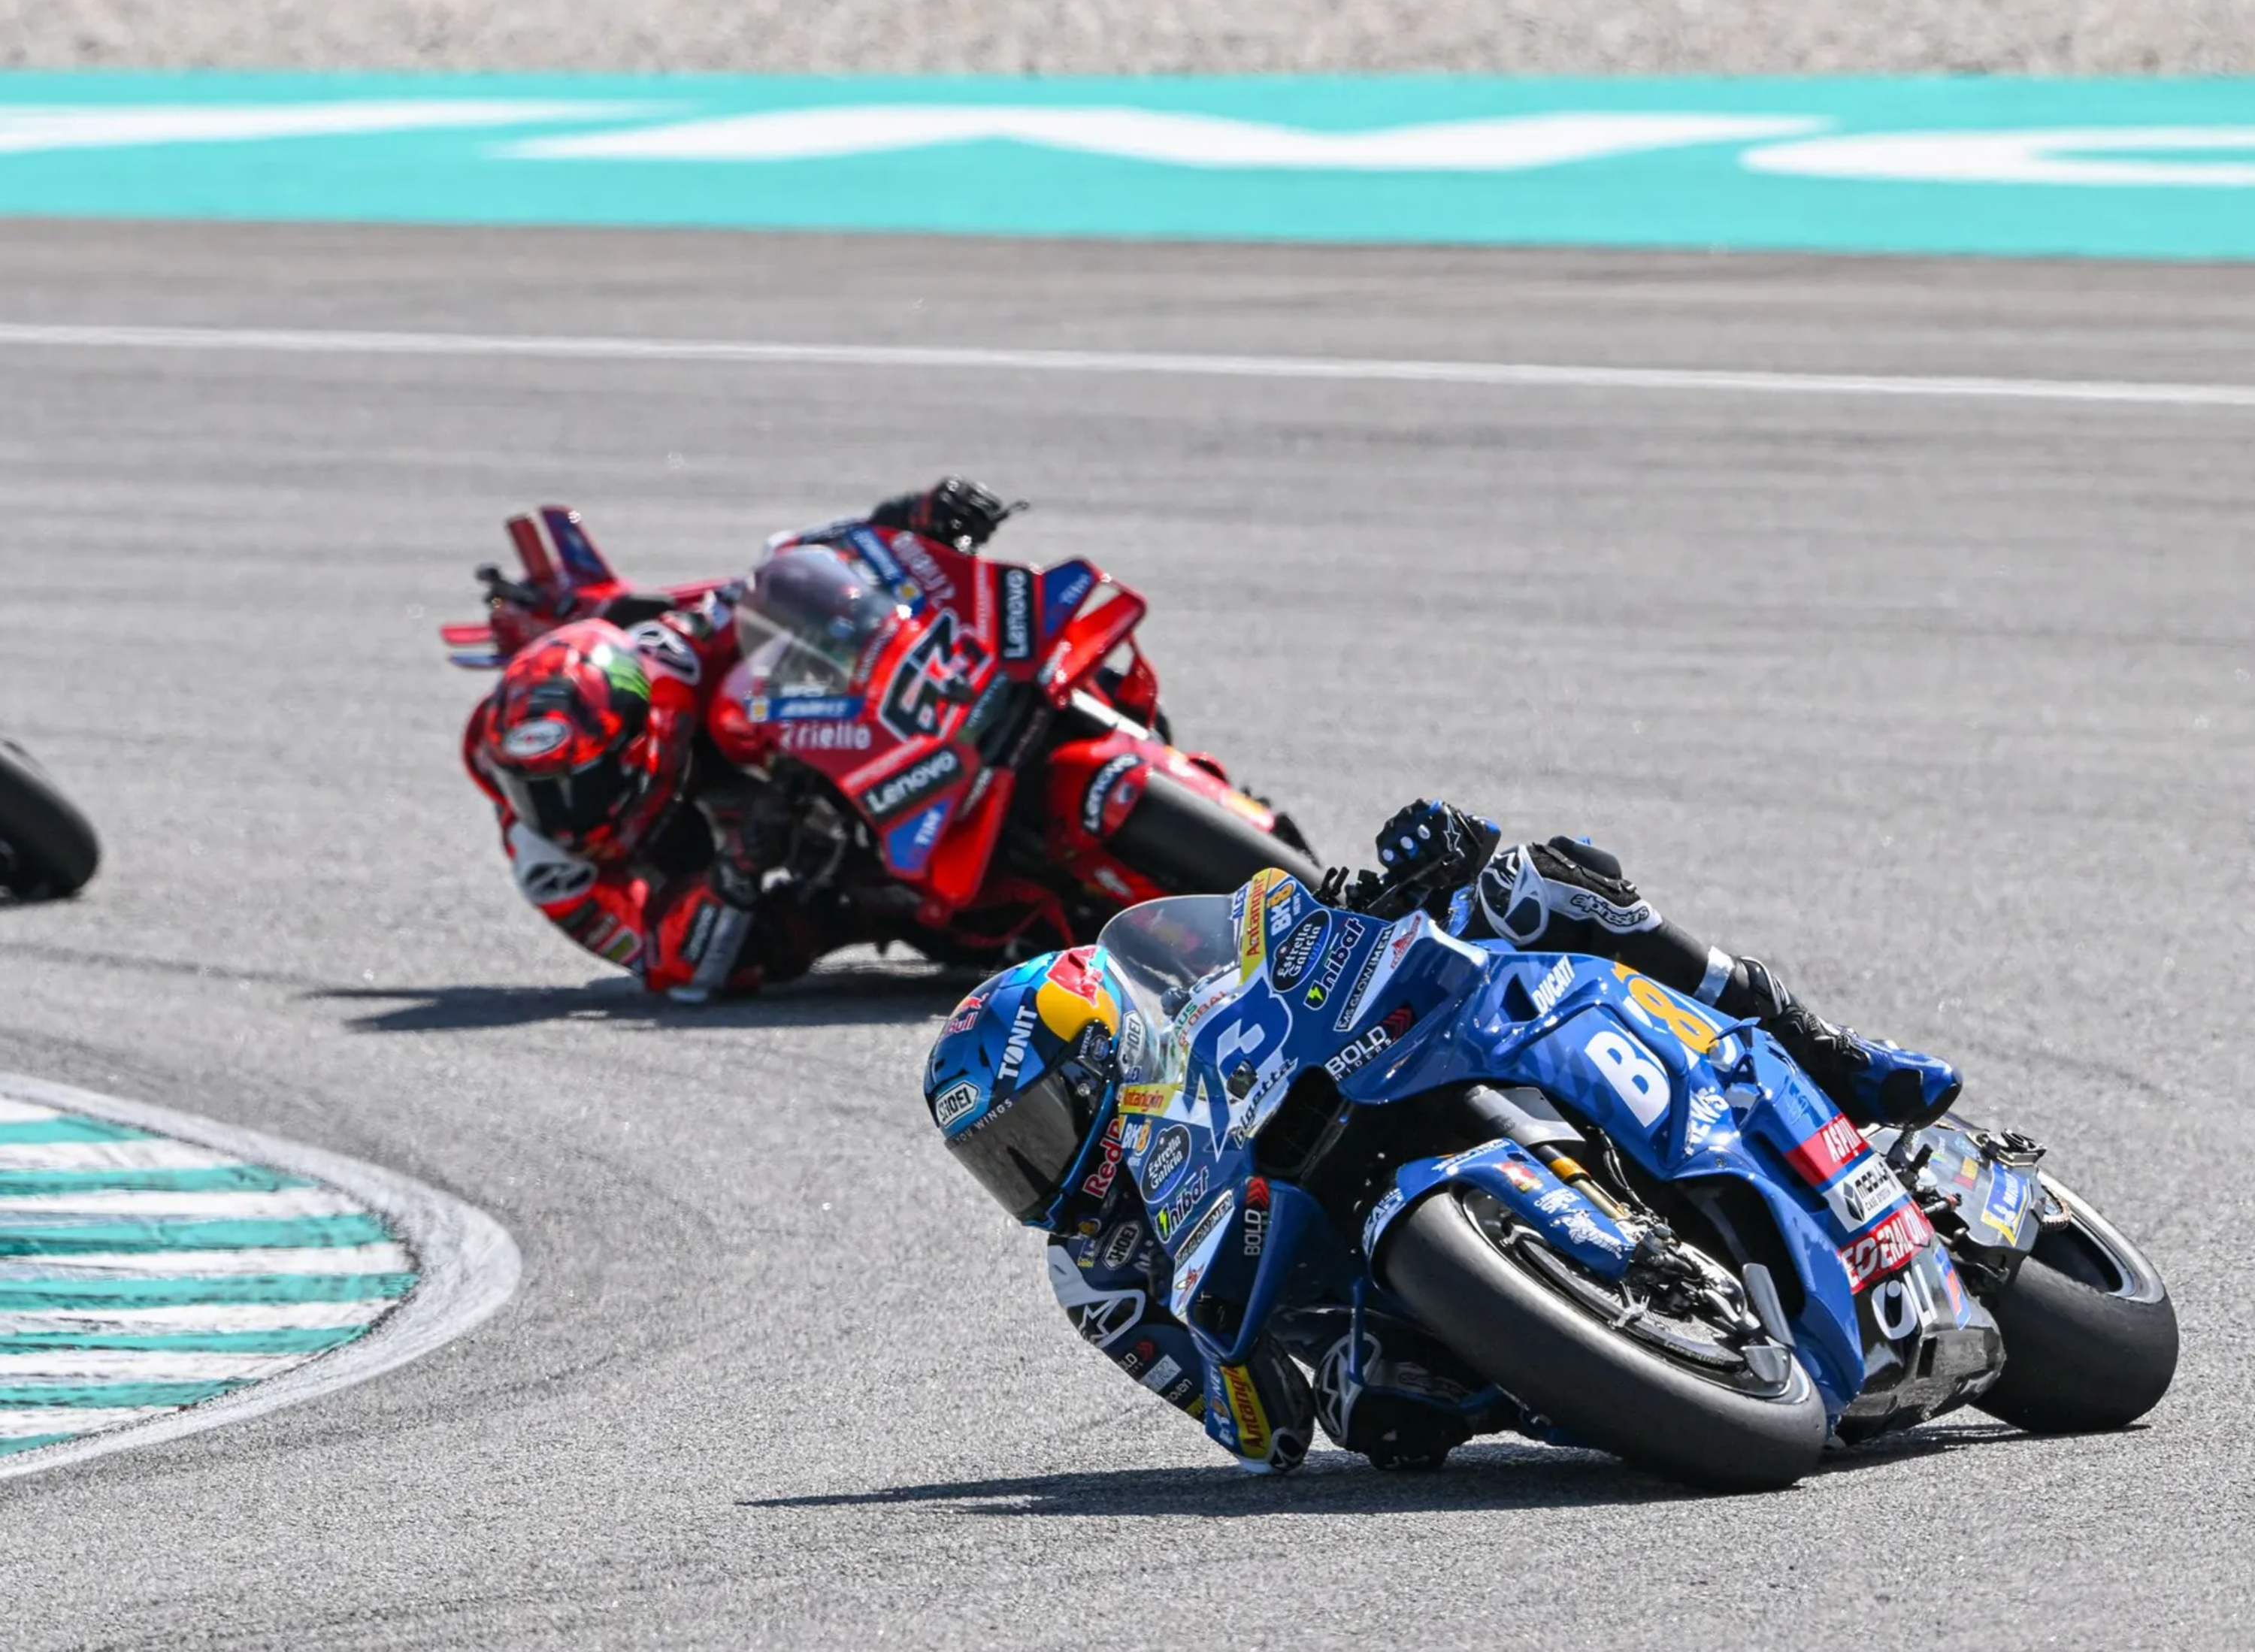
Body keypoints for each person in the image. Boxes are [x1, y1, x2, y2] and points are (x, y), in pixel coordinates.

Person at [924, 797, 1960, 1475]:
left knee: (1542, 890)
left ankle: (1825, 1051)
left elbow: (1308, 943)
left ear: (1110, 1054)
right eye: (998, 1159)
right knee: (1374, 1406)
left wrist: (1400, 886)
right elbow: (1261, 1434)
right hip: (1378, 1300)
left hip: (1387, 1082)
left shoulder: (1206, 1020)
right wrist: (1229, 1344)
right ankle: (1634, 1363)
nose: (1032, 1170)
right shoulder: (1094, 1275)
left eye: (1038, 1125)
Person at [465, 478, 1016, 1000]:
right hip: (730, 874)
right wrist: (737, 868)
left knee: (762, 671)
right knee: (775, 941)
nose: (557, 816)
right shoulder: (549, 865)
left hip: (809, 744)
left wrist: (904, 518)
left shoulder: (673, 660)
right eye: (529, 792)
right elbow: (660, 960)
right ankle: (889, 903)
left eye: (577, 786)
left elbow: (778, 570)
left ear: (634, 741)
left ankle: (955, 701)